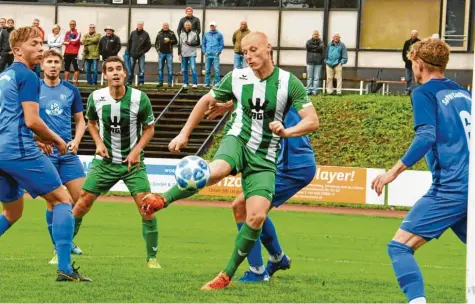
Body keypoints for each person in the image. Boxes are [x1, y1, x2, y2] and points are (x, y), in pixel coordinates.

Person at [141, 32, 319, 290]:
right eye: (244, 52)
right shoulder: (237, 77)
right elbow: (206, 101)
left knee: (256, 216)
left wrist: (286, 132)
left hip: (266, 156)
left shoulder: (288, 83)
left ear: (268, 49)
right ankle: (162, 199)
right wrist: (184, 132)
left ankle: (226, 275)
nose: (248, 56)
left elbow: (312, 120)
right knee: (217, 171)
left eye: (253, 50)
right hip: (238, 140)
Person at [371, 38, 470, 304]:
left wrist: (392, 172)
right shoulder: (465, 94)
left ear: (419, 64)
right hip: (469, 186)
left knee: (399, 247)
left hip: (451, 188)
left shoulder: (424, 93)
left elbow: (426, 137)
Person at [0, 26, 91, 282]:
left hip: (2, 150)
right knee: (63, 200)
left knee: (12, 213)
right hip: (19, 150)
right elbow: (31, 120)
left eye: (41, 43)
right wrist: (57, 140)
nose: (40, 48)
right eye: (34, 44)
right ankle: (65, 268)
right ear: (17, 50)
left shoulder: (4, 76)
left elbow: (10, 118)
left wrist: (37, 138)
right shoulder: (28, 76)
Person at [205, 100, 316, 282]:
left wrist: (230, 105)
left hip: (292, 167)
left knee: (243, 207)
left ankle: (257, 271)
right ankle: (277, 259)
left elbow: (261, 106)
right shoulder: (281, 90)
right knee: (253, 209)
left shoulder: (279, 90)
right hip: (293, 164)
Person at [71, 56, 161, 269]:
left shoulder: (140, 98)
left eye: (118, 69)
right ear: (105, 75)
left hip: (132, 164)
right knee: (82, 203)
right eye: (110, 69)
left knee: (147, 207)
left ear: (125, 73)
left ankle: (152, 258)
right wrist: (99, 143)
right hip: (104, 162)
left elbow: (150, 128)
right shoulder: (96, 97)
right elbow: (90, 123)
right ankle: (62, 249)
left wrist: (137, 150)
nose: (115, 72)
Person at [37, 49, 87, 264]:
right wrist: (37, 141)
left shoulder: (71, 90)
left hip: (67, 153)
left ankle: (66, 240)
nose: (53, 65)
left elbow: (80, 120)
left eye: (56, 61)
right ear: (42, 65)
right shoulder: (32, 89)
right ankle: (59, 249)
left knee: (82, 200)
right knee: (54, 203)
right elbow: (24, 120)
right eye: (49, 61)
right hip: (45, 154)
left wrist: (76, 141)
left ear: (61, 65)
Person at [127, 21, 151, 86]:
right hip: (132, 54)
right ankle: (129, 82)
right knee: (131, 69)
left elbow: (148, 45)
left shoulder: (145, 34)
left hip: (141, 55)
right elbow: (129, 43)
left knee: (141, 69)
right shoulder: (133, 33)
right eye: (139, 25)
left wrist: (142, 52)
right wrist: (129, 52)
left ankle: (141, 82)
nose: (140, 26)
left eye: (141, 25)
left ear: (143, 26)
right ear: (137, 25)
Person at [154, 22, 178, 88]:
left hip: (169, 53)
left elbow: (176, 42)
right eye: (164, 25)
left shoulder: (171, 33)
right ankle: (160, 83)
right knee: (160, 69)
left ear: (168, 26)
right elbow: (156, 43)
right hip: (161, 53)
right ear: (162, 26)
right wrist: (157, 50)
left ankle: (169, 83)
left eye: (166, 25)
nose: (165, 26)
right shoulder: (159, 33)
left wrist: (170, 41)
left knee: (170, 69)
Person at [178, 21, 200, 89]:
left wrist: (190, 43)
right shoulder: (181, 34)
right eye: (186, 25)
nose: (187, 26)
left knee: (193, 68)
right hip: (184, 54)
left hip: (192, 54)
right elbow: (179, 44)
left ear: (191, 26)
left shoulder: (194, 33)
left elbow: (198, 43)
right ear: (184, 26)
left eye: (189, 25)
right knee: (184, 69)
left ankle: (195, 83)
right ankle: (185, 83)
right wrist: (179, 54)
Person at [202, 21, 224, 89]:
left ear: (215, 26)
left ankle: (216, 84)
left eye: (213, 25)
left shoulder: (219, 34)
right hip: (208, 54)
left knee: (216, 70)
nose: (212, 27)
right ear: (210, 26)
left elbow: (221, 44)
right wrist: (204, 52)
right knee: (207, 69)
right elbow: (203, 44)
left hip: (215, 54)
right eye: (211, 26)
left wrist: (218, 52)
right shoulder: (206, 34)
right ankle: (207, 84)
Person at [402, 30, 420, 95]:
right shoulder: (407, 42)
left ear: (417, 35)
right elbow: (404, 52)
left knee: (418, 78)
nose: (413, 35)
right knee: (408, 78)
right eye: (412, 34)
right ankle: (407, 91)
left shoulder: (419, 43)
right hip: (408, 64)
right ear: (410, 34)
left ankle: (418, 91)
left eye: (415, 34)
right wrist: (405, 60)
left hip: (416, 64)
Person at [305, 30, 324, 95]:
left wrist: (313, 48)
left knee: (316, 78)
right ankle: (308, 90)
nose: (316, 35)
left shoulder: (321, 42)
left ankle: (314, 91)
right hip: (310, 61)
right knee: (309, 77)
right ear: (312, 35)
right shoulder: (308, 41)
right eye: (314, 34)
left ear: (319, 35)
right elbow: (308, 47)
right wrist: (316, 48)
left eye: (317, 34)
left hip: (318, 62)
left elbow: (321, 48)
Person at [63, 20, 81, 85]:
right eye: (71, 24)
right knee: (66, 68)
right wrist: (71, 41)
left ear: (75, 25)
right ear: (69, 25)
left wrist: (70, 40)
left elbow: (76, 41)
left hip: (74, 53)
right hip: (67, 52)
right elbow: (65, 42)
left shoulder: (78, 32)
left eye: (73, 24)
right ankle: (66, 82)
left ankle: (76, 82)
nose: (72, 25)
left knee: (76, 68)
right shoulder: (67, 33)